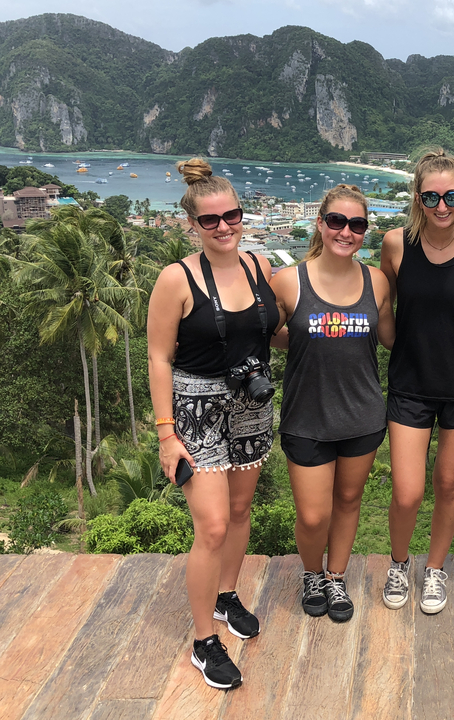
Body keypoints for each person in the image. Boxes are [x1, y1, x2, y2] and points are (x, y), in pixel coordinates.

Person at [147, 158, 281, 690]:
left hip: (251, 403)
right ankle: (205, 639)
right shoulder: (175, 279)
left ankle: (227, 595)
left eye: (233, 216)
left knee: (243, 508)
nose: (224, 227)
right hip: (195, 410)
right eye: (211, 220)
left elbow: (272, 329)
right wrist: (165, 434)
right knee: (213, 526)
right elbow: (159, 357)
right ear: (193, 225)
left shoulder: (259, 265)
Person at [271, 184, 395, 623]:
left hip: (362, 414)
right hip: (306, 416)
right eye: (337, 221)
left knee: (348, 500)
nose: (347, 231)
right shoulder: (288, 281)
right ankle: (311, 573)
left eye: (357, 224)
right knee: (311, 514)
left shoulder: (376, 282)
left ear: (365, 231)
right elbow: (268, 332)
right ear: (320, 224)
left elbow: (390, 338)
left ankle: (336, 576)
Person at [379, 147, 454, 614]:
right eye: (431, 197)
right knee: (407, 492)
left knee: (449, 484)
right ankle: (400, 562)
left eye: (452, 196)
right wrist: (397, 345)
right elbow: (384, 302)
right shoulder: (395, 243)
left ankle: (436, 569)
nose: (442, 206)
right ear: (417, 198)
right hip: (410, 383)